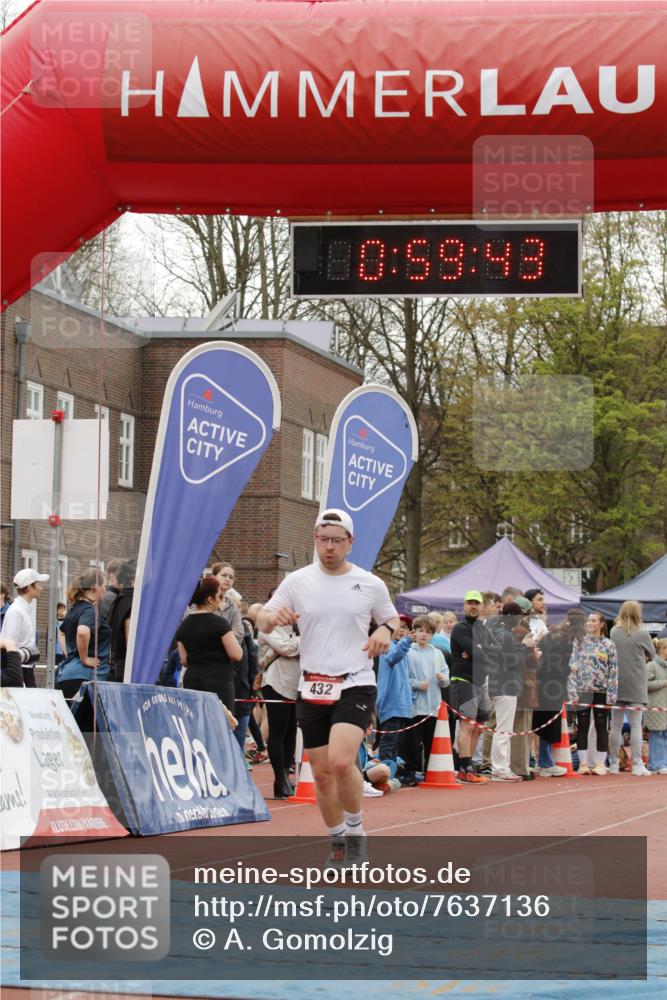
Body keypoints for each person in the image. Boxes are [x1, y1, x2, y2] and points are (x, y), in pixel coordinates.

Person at [256, 508, 398, 866]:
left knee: (340, 761)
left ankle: (355, 832)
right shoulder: (297, 581)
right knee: (320, 773)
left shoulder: (369, 583)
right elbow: (262, 617)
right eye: (323, 540)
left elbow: (392, 619)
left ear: (350, 542)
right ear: (315, 539)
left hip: (355, 681)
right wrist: (270, 617)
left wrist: (385, 630)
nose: (329, 547)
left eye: (336, 541)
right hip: (312, 684)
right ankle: (336, 839)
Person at [176, 576, 243, 714]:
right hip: (218, 680)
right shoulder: (220, 623)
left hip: (192, 679)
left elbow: (184, 660)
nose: (220, 599)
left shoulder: (183, 625)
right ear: (210, 599)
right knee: (220, 721)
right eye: (219, 596)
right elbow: (236, 654)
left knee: (195, 721)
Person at [534, 609, 586, 777]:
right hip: (552, 685)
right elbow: (557, 667)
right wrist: (570, 669)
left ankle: (541, 761)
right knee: (549, 723)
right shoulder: (566, 641)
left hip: (540, 682)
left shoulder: (553, 633)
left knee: (542, 723)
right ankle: (545, 763)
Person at [449, 591, 493, 784]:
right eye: (470, 603)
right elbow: (479, 652)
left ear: (482, 606)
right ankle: (464, 769)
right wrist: (479, 651)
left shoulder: (483, 628)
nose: (473, 606)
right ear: (464, 606)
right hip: (463, 680)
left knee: (479, 727)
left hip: (481, 682)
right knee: (467, 725)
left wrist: (480, 651)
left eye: (477, 603)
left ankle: (469, 767)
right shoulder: (460, 628)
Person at [566, 610, 617, 775]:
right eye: (588, 620)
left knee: (601, 726)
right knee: (582, 726)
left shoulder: (609, 644)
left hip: (602, 691)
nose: (590, 623)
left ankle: (600, 764)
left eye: (594, 620)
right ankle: (583, 764)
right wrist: (572, 692)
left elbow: (613, 670)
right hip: (583, 690)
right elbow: (572, 667)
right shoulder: (579, 642)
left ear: (601, 624)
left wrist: (611, 695)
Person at [609, 600, 655, 777]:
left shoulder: (614, 631)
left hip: (617, 682)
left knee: (616, 725)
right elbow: (652, 654)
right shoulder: (642, 633)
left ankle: (613, 763)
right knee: (636, 725)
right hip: (636, 683)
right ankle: (636, 763)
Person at [258, 617, 301, 798]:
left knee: (291, 731)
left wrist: (294, 646)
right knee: (278, 730)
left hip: (296, 684)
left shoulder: (299, 626)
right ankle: (279, 778)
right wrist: (301, 643)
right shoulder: (268, 626)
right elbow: (286, 648)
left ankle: (285, 774)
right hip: (276, 682)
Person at [484, 603, 527, 782]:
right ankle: (500, 769)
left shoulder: (494, 629)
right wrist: (524, 646)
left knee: (502, 728)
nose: (520, 620)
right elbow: (512, 661)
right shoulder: (505, 634)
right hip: (506, 683)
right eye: (518, 616)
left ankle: (502, 767)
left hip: (497, 682)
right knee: (504, 729)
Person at [403, 616, 449, 777]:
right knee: (412, 741)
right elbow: (402, 678)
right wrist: (416, 683)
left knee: (431, 740)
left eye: (428, 632)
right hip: (414, 706)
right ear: (414, 632)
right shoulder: (407, 652)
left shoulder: (437, 653)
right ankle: (410, 772)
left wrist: (443, 679)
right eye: (420, 630)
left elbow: (446, 678)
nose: (424, 634)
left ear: (432, 635)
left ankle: (430, 772)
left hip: (433, 706)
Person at [56, 570, 111, 700]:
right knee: (86, 714)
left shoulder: (74, 609)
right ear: (95, 588)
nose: (105, 590)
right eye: (104, 586)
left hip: (67, 673)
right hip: (85, 677)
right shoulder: (90, 611)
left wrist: (69, 653)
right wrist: (84, 658)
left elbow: (62, 632)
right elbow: (82, 631)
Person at [376, 624, 414, 782]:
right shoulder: (389, 646)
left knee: (395, 743)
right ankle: (383, 777)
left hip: (401, 705)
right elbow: (393, 657)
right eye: (399, 626)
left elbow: (405, 678)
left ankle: (390, 775)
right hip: (391, 704)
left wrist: (410, 696)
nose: (401, 630)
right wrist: (407, 641)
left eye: (405, 627)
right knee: (388, 742)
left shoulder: (401, 649)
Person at [1, 568, 48, 687]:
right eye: (38, 584)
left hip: (26, 669)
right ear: (29, 587)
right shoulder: (16, 611)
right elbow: (9, 644)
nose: (41, 588)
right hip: (19, 672)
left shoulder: (24, 609)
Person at [107, 559, 136, 682]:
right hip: (127, 671)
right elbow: (131, 642)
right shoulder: (130, 602)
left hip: (118, 668)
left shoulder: (119, 601)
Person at [646, 638, 667, 774]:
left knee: (664, 734)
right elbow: (645, 684)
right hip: (655, 706)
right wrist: (663, 682)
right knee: (657, 735)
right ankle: (656, 764)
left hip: (665, 706)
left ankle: (663, 762)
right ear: (662, 649)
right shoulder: (651, 665)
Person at [210, 562, 244, 642]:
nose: (228, 579)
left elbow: (239, 634)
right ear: (213, 577)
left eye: (231, 577)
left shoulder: (232, 605)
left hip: (227, 649)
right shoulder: (203, 601)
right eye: (224, 575)